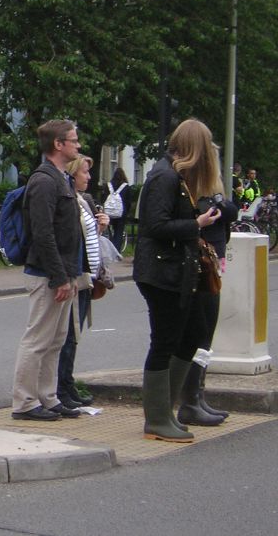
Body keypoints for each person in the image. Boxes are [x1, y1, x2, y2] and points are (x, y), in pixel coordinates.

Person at [133, 118, 221, 443]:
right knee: (165, 340)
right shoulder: (165, 176)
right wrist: (195, 223)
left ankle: (165, 412)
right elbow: (154, 226)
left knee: (192, 333)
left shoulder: (173, 175)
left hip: (173, 271)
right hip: (161, 273)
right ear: (195, 147)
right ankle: (157, 419)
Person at [11, 119, 82, 422]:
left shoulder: (60, 178)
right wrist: (59, 276)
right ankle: (24, 401)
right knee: (38, 339)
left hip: (61, 272)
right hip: (47, 274)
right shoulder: (44, 182)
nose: (78, 145)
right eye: (74, 140)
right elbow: (43, 233)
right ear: (58, 145)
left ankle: (48, 397)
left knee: (55, 340)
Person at [177, 166, 238, 426]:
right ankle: (189, 400)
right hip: (200, 268)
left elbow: (232, 211)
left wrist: (221, 205)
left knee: (206, 336)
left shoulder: (213, 192)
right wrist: (218, 206)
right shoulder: (194, 192)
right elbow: (218, 213)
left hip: (212, 266)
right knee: (199, 333)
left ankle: (197, 395)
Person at [57, 154, 109, 410]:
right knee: (68, 335)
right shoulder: (69, 201)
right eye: (85, 172)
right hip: (75, 275)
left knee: (75, 336)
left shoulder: (84, 200)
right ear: (73, 173)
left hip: (87, 276)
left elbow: (87, 237)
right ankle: (61, 387)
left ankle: (67, 383)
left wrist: (100, 226)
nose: (89, 177)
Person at [101, 168, 132, 252]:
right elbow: (128, 202)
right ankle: (116, 250)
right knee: (118, 232)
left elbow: (103, 198)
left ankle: (108, 248)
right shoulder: (126, 187)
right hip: (121, 214)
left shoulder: (108, 185)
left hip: (109, 212)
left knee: (108, 232)